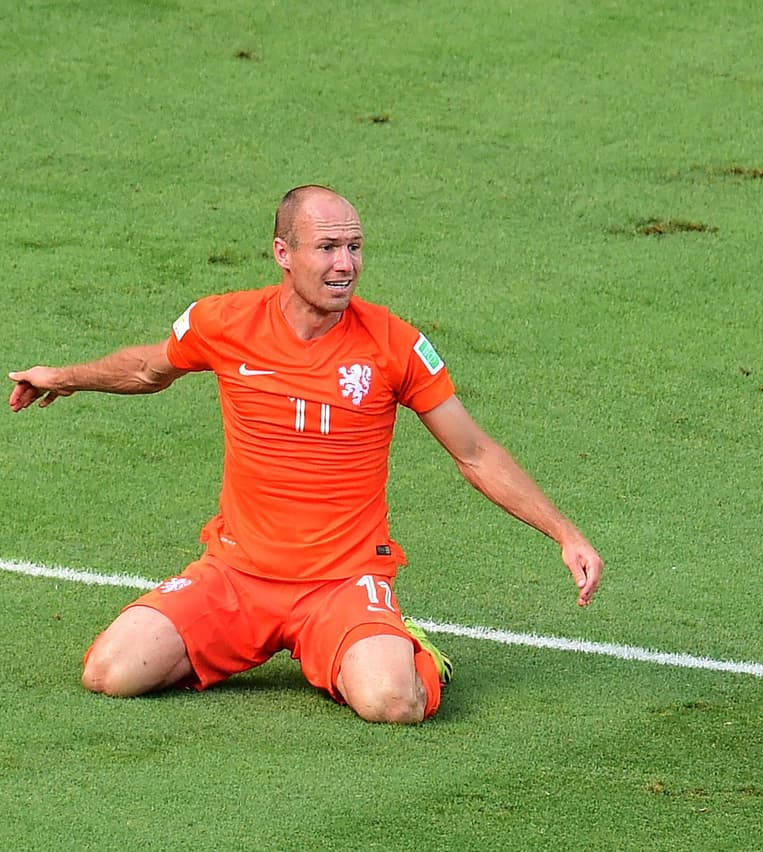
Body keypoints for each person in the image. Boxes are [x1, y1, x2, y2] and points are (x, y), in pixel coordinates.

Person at [8, 184, 603, 724]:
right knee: (109, 673)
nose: (345, 265)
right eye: (327, 248)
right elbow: (146, 368)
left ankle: (405, 645)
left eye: (354, 247)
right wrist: (63, 376)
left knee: (393, 703)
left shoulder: (394, 344)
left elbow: (473, 452)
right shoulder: (225, 322)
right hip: (235, 576)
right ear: (283, 253)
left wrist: (564, 533)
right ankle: (252, 643)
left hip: (342, 582)